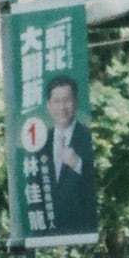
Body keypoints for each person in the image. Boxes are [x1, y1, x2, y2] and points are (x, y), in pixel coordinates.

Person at [34, 74, 97, 238]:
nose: (62, 107)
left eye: (67, 100)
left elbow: (96, 184)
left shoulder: (87, 137)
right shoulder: (40, 143)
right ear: (49, 105)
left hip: (81, 230)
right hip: (47, 232)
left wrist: (78, 165)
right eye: (56, 101)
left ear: (76, 103)